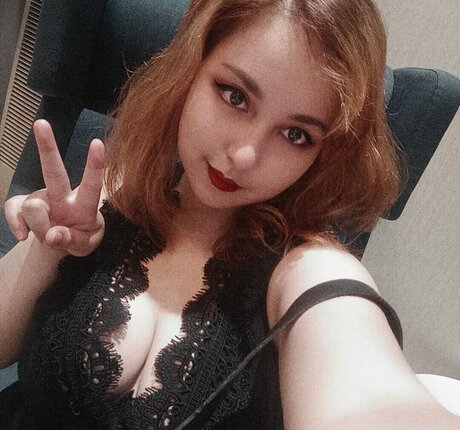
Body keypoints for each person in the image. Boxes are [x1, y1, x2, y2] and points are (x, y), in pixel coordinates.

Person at [0, 0, 458, 428]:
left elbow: (371, 395)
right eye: (235, 96)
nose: (244, 155)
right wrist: (48, 249)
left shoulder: (309, 269)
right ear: (190, 71)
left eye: (296, 135)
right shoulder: (109, 193)